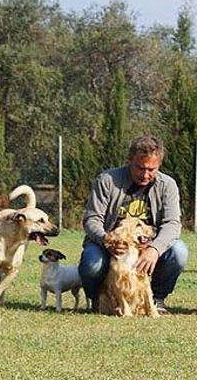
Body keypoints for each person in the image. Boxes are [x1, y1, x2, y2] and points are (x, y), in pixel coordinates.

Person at [78, 135, 188, 315]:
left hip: (147, 244)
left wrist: (154, 248)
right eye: (139, 167)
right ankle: (98, 299)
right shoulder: (106, 180)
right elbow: (92, 220)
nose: (145, 174)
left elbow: (172, 224)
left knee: (179, 251)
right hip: (110, 243)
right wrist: (106, 240)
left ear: (159, 164)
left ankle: (156, 300)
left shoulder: (168, 185)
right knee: (93, 264)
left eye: (151, 169)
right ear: (129, 160)